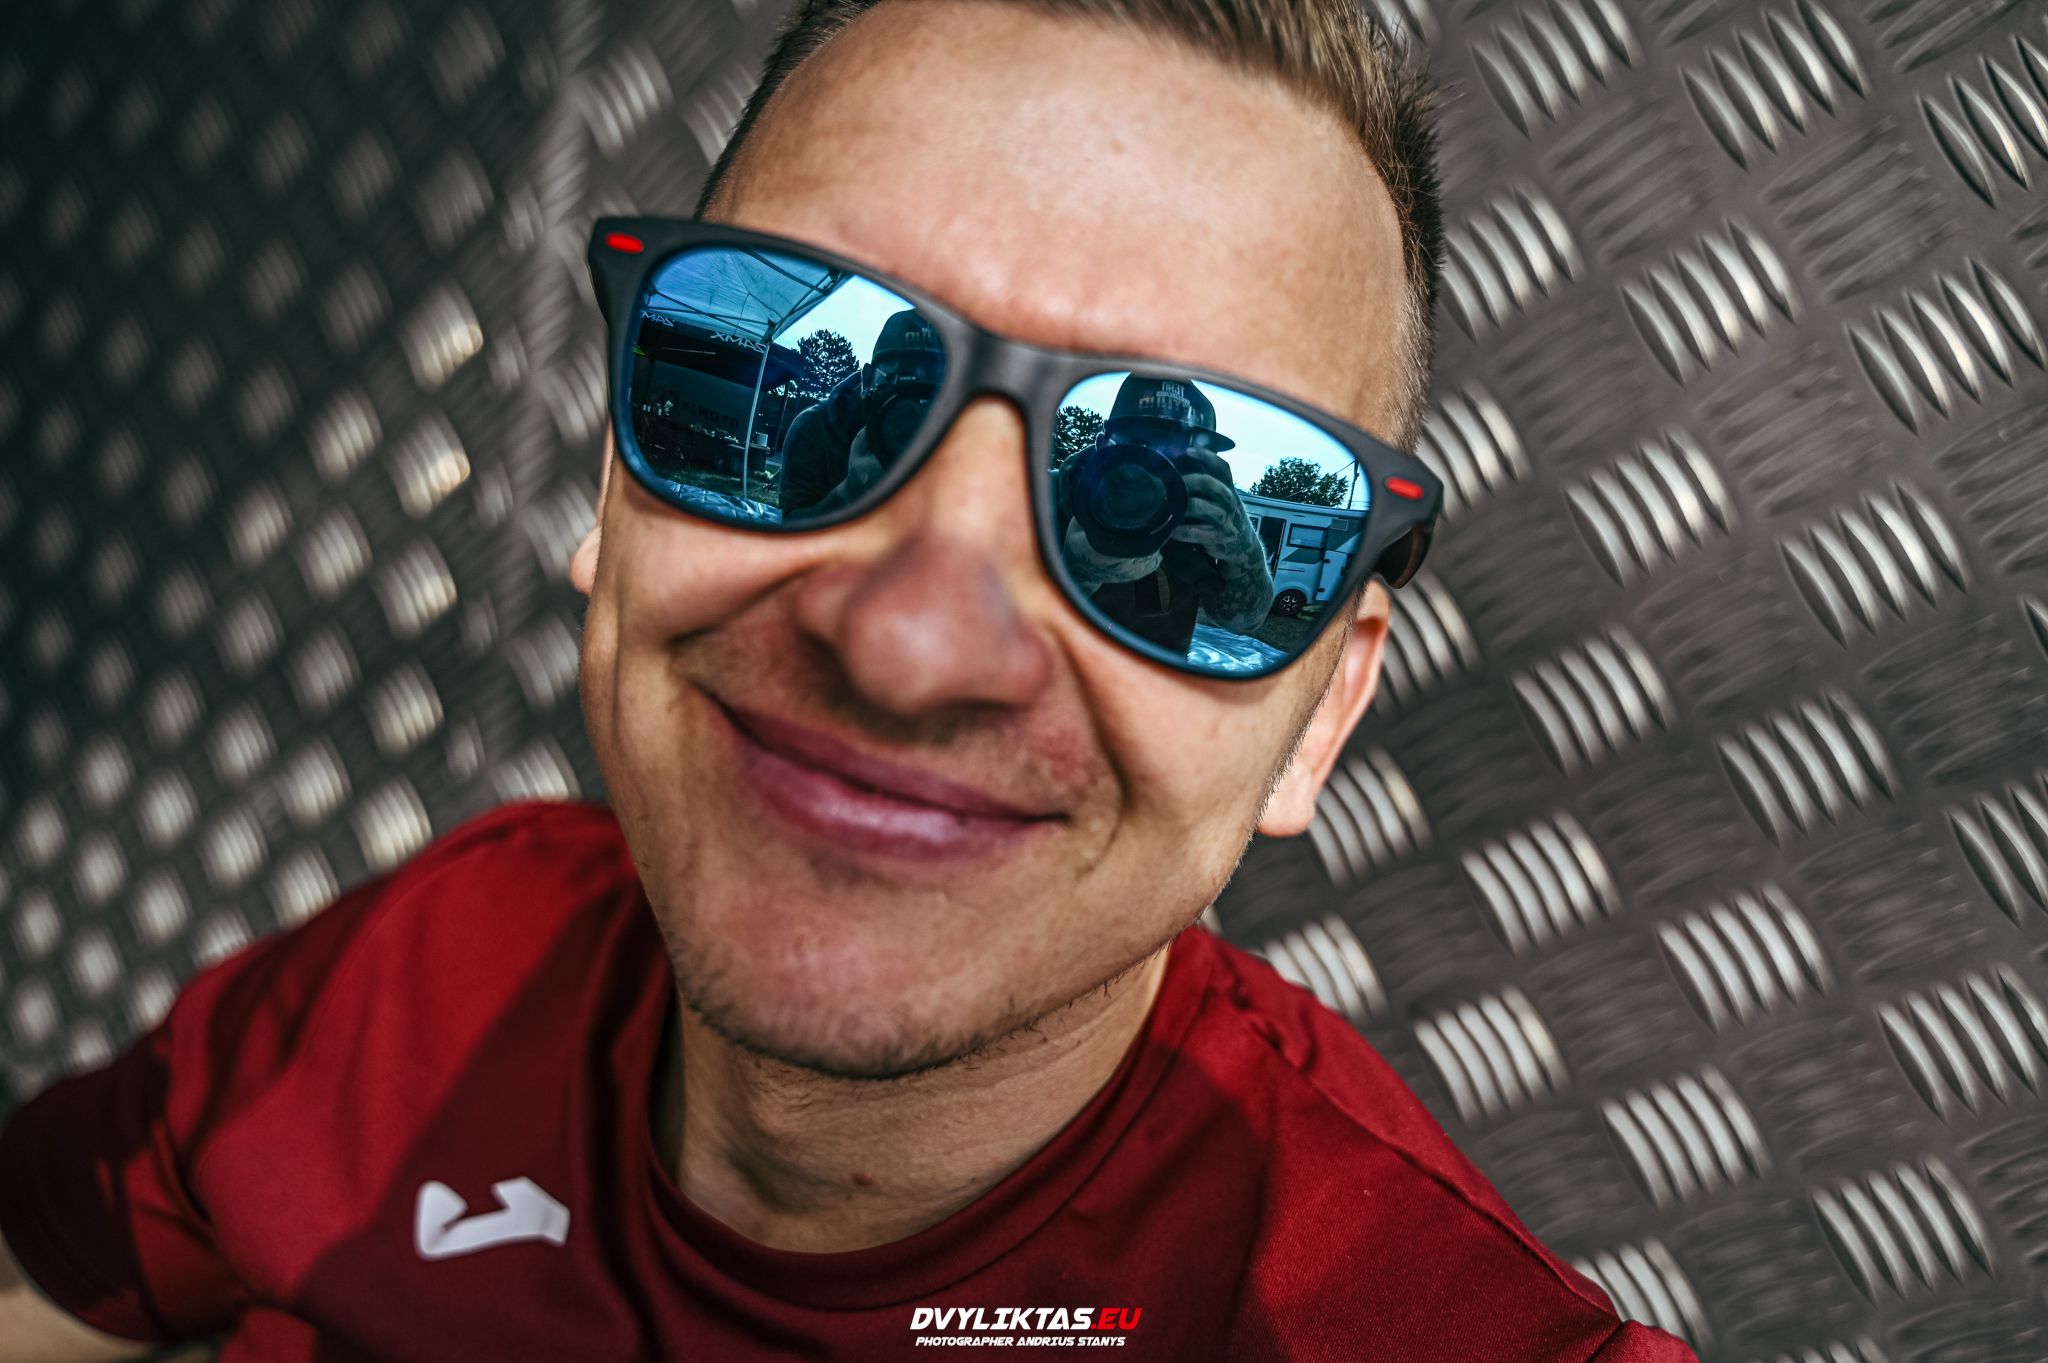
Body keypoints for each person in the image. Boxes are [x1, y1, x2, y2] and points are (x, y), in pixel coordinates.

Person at [0, 2, 1699, 1361]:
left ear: (1319, 713)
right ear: (617, 489)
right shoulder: (430, 971)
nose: (908, 638)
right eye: (820, 369)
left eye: (1206, 505)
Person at [1056, 374, 1275, 654]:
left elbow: (1245, 621)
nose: (1160, 468)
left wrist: (1244, 548)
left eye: (1186, 456)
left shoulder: (1207, 518)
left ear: (1210, 464)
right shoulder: (1044, 497)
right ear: (1102, 446)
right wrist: (1075, 574)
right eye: (1141, 448)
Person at [780, 307, 950, 516]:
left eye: (939, 387)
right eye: (903, 378)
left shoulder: (954, 432)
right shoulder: (818, 427)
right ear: (868, 379)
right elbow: (792, 522)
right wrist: (848, 493)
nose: (917, 405)